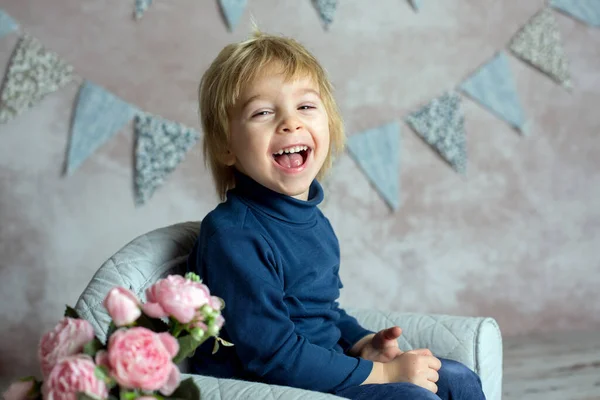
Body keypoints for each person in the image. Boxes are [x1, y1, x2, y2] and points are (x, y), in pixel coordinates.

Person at [186, 29, 486, 400]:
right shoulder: (234, 235)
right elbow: (272, 357)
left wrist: (361, 343)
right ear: (226, 147)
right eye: (263, 112)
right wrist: (381, 373)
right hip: (270, 386)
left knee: (457, 377)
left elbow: (322, 312)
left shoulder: (312, 220)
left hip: (319, 368)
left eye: (306, 106)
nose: (290, 123)